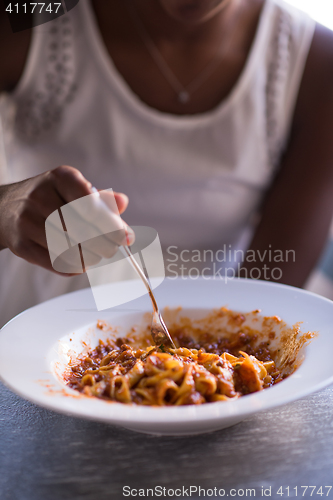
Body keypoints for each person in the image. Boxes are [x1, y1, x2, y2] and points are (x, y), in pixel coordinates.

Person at [0, 0, 333, 327]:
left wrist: (191, 371)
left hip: (220, 323)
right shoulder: (29, 19)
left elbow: (269, 300)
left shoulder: (315, 63)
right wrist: (6, 209)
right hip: (32, 325)